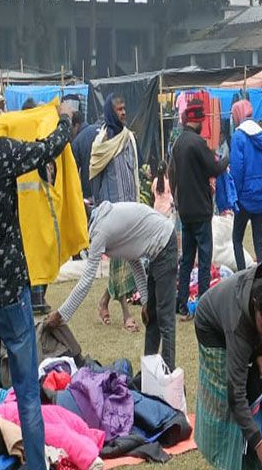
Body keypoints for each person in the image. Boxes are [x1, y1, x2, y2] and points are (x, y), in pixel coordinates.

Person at [0, 79, 75, 470]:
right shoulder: (2, 153)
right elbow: (48, 148)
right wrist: (64, 121)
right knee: (28, 395)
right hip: (11, 293)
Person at [47, 202, 179, 365]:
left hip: (164, 243)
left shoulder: (100, 231)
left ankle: (168, 373)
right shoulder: (102, 221)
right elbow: (134, 260)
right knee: (151, 317)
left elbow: (87, 280)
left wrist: (61, 314)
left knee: (165, 318)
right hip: (158, 248)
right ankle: (149, 373)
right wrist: (145, 300)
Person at [194, 264, 262, 470]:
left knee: (253, 379)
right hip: (210, 328)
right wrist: (258, 442)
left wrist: (259, 352)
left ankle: (248, 451)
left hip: (234, 319)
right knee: (225, 402)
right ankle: (227, 459)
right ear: (255, 305)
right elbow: (235, 394)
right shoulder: (238, 326)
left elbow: (259, 329)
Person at [171, 99, 229, 317]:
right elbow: (214, 168)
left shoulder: (178, 143)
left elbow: (172, 174)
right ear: (199, 121)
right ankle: (204, 305)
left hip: (185, 210)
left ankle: (181, 304)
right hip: (201, 210)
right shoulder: (198, 143)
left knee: (186, 260)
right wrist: (225, 160)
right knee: (204, 260)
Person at [89, 94, 140, 330]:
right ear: (111, 112)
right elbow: (95, 176)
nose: (123, 112)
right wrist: (99, 211)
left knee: (128, 260)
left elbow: (134, 174)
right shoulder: (102, 141)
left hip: (131, 209)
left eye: (124, 108)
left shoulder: (128, 138)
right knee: (122, 261)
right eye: (118, 109)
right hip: (112, 213)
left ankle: (103, 302)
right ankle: (127, 315)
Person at [231, 113, 262, 270]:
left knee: (237, 239)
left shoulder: (238, 137)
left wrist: (235, 194)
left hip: (243, 196)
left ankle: (242, 274)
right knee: (259, 240)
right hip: (260, 195)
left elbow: (237, 168)